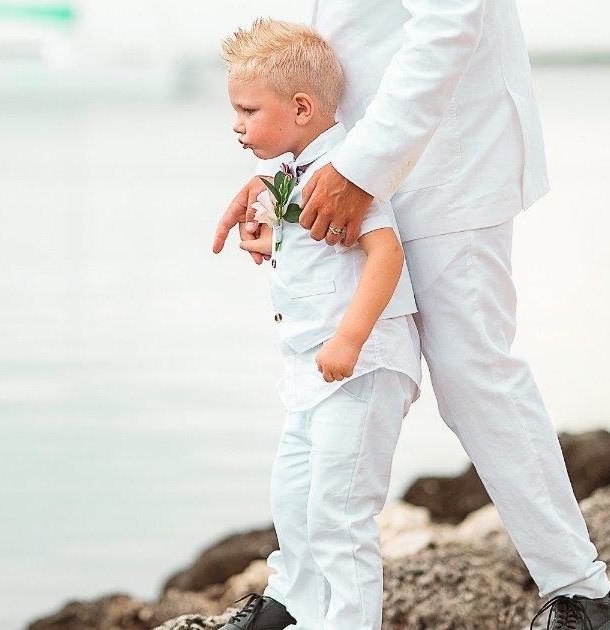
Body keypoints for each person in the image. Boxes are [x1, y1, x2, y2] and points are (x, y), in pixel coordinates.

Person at [211, 2, 610, 630]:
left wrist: (361, 165)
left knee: (472, 374)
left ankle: (581, 592)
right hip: (345, 164)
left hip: (446, 164)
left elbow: (448, 22)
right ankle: (297, 599)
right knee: (313, 381)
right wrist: (289, 178)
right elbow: (334, 45)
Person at [214, 18, 423, 630]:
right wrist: (267, 240)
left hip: (360, 364)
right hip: (307, 368)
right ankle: (300, 610)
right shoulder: (287, 175)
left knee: (338, 510)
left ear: (301, 107)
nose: (237, 125)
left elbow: (386, 254)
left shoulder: (348, 171)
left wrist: (349, 339)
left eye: (248, 111)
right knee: (294, 501)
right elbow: (308, 249)